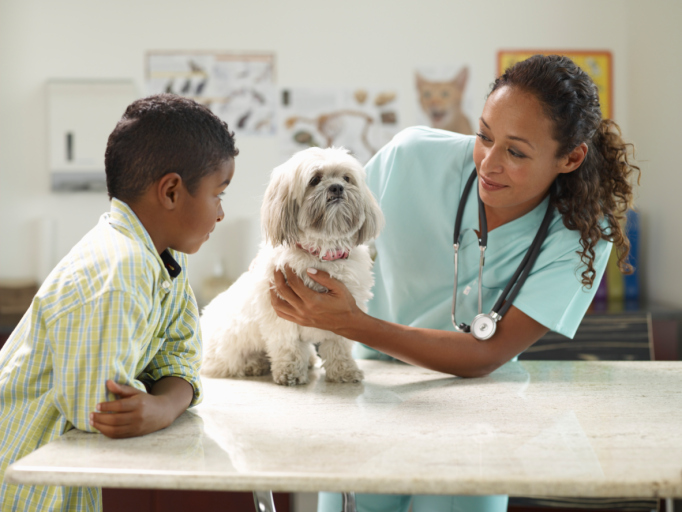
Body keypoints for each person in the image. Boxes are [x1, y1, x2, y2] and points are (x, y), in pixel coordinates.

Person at [270, 55, 639, 512]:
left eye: (517, 152)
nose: (489, 162)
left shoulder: (583, 234)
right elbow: (308, 233)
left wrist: (352, 323)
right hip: (370, 401)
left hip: (480, 419)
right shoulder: (410, 159)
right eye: (484, 136)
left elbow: (487, 353)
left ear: (571, 157)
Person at [0, 94, 238, 511]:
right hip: (24, 488)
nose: (220, 214)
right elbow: (105, 414)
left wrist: (164, 404)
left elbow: (181, 358)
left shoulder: (165, 256)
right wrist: (159, 401)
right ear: (171, 192)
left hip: (63, 481)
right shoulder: (120, 272)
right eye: (219, 194)